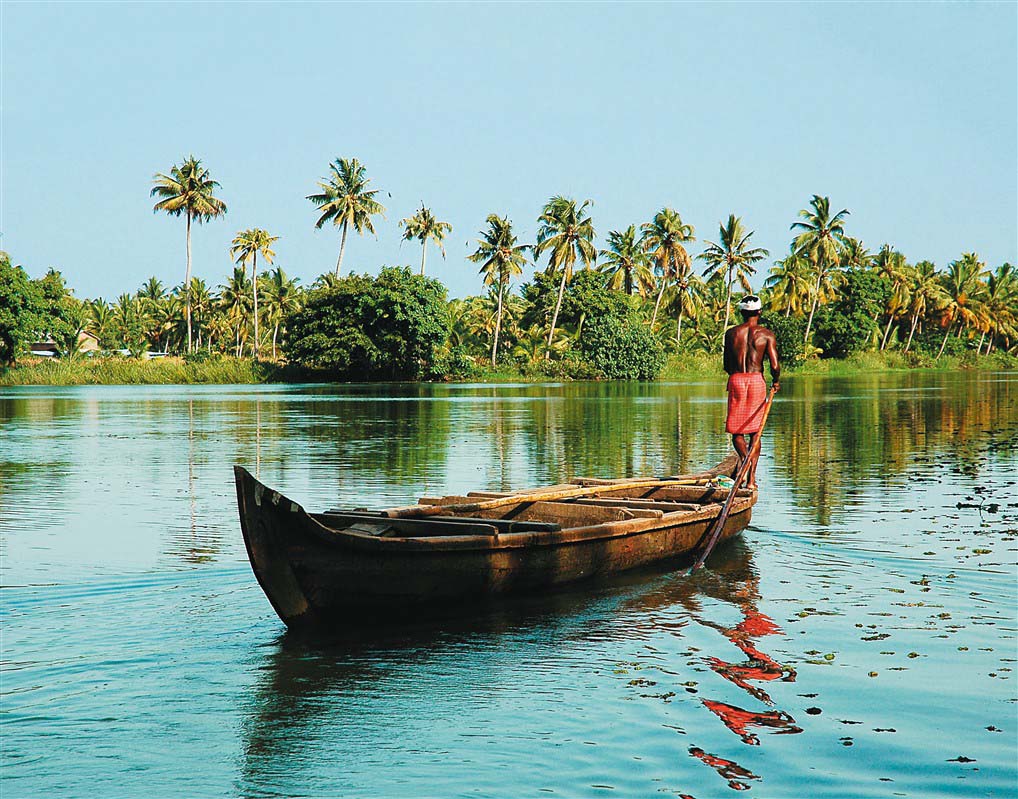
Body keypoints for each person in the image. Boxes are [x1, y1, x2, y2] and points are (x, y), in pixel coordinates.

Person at [723, 295, 780, 490]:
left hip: (737, 379)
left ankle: (744, 461)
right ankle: (751, 479)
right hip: (756, 381)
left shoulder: (731, 334)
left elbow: (726, 365)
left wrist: (737, 375)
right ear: (759, 312)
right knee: (755, 432)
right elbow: (774, 365)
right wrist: (776, 381)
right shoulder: (766, 334)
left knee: (737, 432)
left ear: (742, 312)